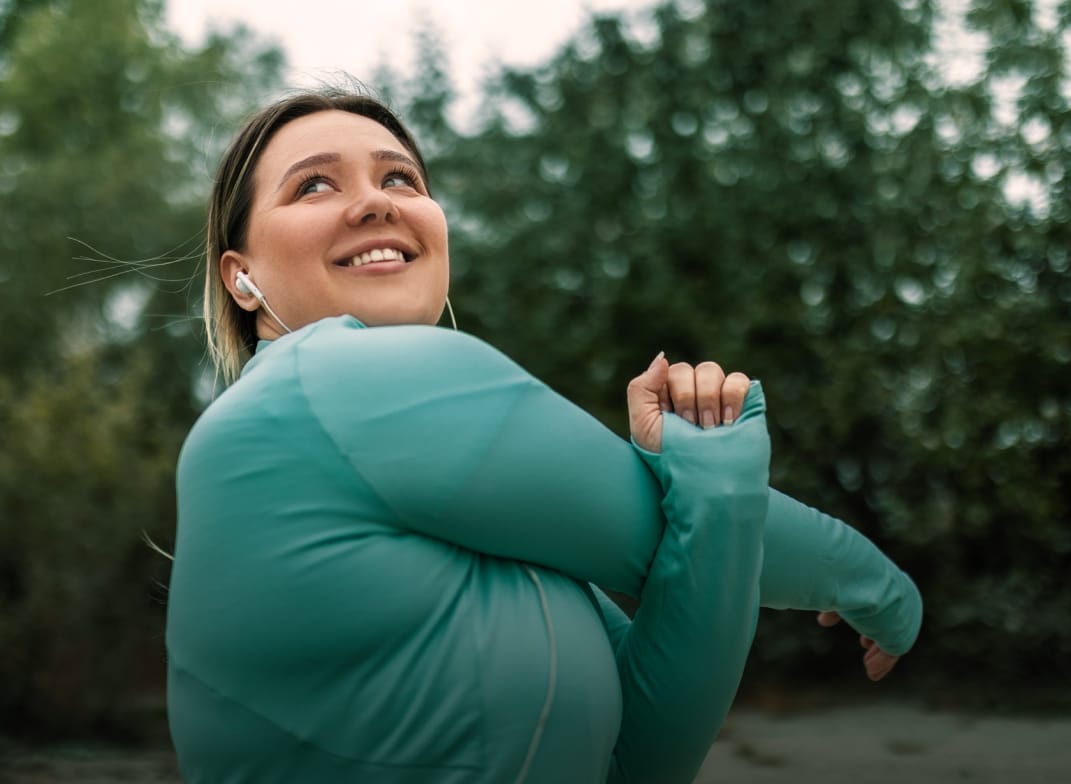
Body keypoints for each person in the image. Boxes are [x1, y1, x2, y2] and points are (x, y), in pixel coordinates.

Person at [166, 87, 922, 783]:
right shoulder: (321, 379)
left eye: (401, 179)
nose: (376, 204)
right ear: (240, 277)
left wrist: (714, 477)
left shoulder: (478, 519)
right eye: (315, 184)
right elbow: (662, 532)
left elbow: (638, 757)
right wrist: (879, 586)